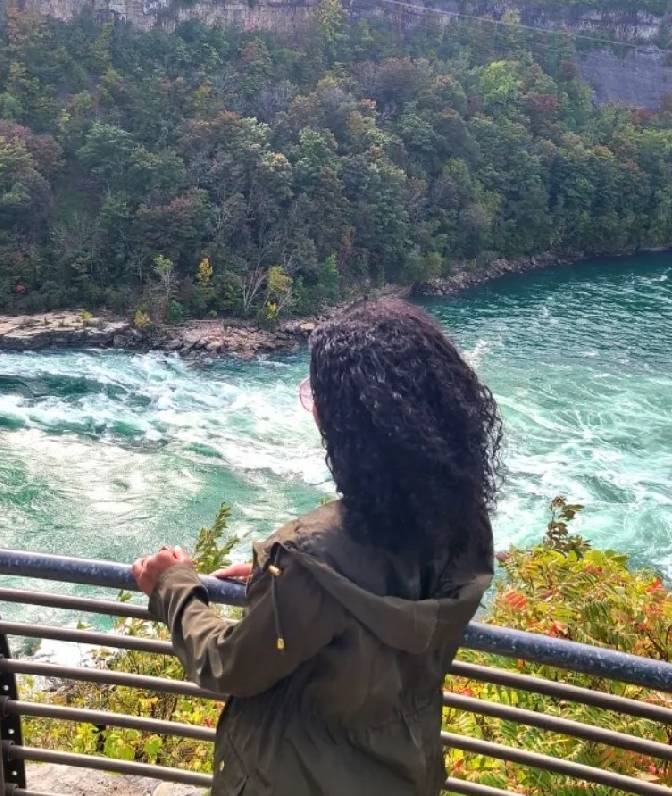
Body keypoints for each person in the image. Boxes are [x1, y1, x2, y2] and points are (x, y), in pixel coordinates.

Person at [132, 298, 501, 796]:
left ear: (342, 418)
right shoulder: (465, 529)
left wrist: (173, 585)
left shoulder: (309, 557)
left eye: (314, 394)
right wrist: (277, 586)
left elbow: (229, 666)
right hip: (403, 773)